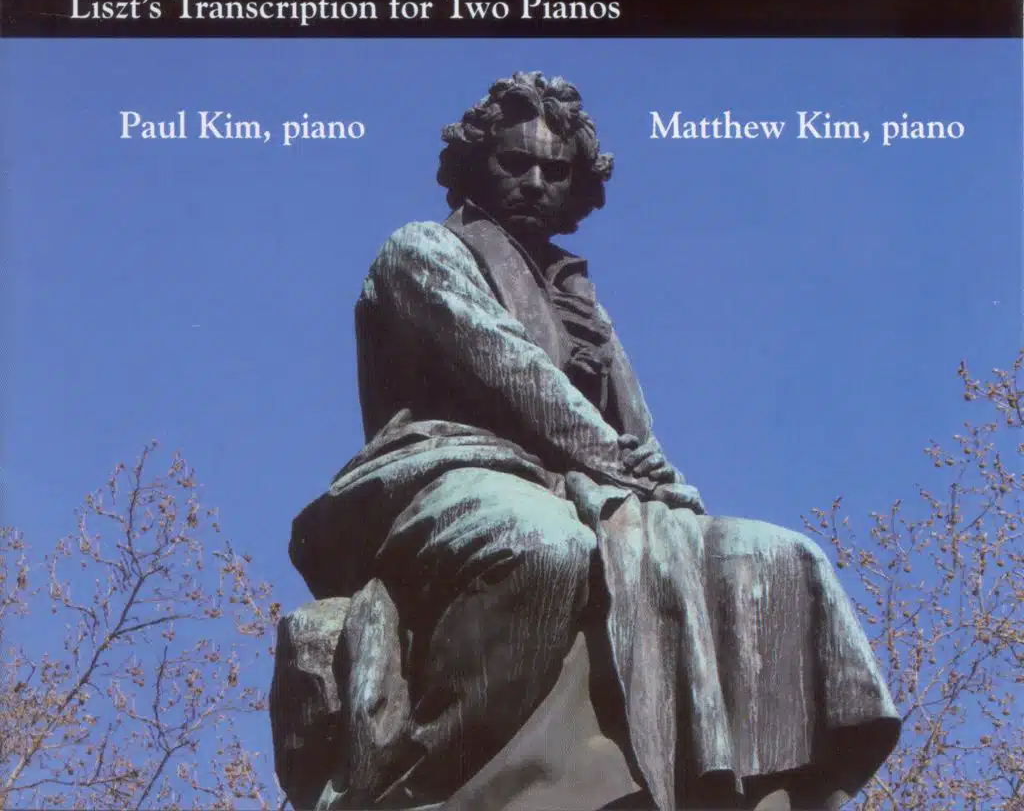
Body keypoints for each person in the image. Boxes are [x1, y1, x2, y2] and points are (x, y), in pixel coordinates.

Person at [289, 72, 900, 810]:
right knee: (542, 545)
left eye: (555, 171)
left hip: (586, 480)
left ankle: (759, 793)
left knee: (774, 556)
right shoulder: (420, 250)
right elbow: (512, 370)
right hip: (447, 470)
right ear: (477, 163)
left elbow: (635, 428)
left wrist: (654, 473)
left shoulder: (578, 296)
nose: (535, 182)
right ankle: (425, 774)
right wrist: (615, 458)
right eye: (516, 162)